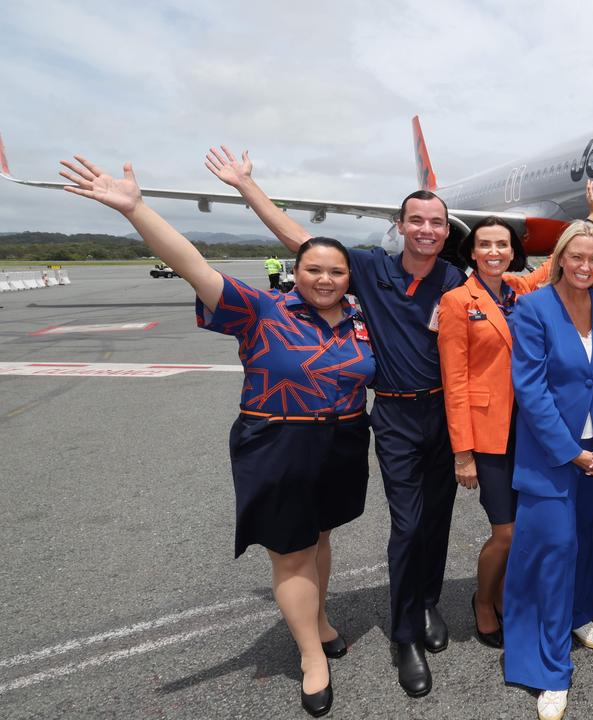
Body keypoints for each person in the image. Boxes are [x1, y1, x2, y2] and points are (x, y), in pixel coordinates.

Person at [60, 156, 374, 718]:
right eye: (314, 270)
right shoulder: (261, 310)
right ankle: (311, 656)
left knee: (321, 536)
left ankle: (321, 619)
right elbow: (192, 265)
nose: (325, 279)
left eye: (336, 271)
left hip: (343, 442)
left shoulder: (360, 319)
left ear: (349, 277)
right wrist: (137, 209)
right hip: (277, 441)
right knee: (290, 551)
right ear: (294, 272)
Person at [206, 146, 459, 698]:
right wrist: (247, 187)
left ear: (445, 231)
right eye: (416, 220)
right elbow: (300, 241)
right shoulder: (366, 268)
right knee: (410, 524)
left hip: (444, 410)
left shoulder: (453, 277)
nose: (426, 229)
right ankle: (404, 634)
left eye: (436, 222)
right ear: (401, 226)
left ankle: (427, 601)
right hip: (393, 411)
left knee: (438, 518)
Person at [504, 221, 593, 720]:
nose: (585, 266)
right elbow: (529, 389)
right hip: (552, 455)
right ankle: (549, 669)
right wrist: (569, 450)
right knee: (554, 555)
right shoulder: (533, 308)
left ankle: (580, 615)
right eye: (576, 257)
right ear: (559, 258)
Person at [437, 217, 551, 649]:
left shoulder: (517, 290)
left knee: (524, 527)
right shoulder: (455, 301)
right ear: (471, 251)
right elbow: (455, 380)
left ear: (511, 250)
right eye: (484, 244)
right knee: (506, 530)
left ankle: (504, 594)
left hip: (527, 430)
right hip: (488, 435)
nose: (493, 252)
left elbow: (550, 268)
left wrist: (590, 222)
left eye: (501, 244)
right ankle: (484, 601)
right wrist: (462, 452)